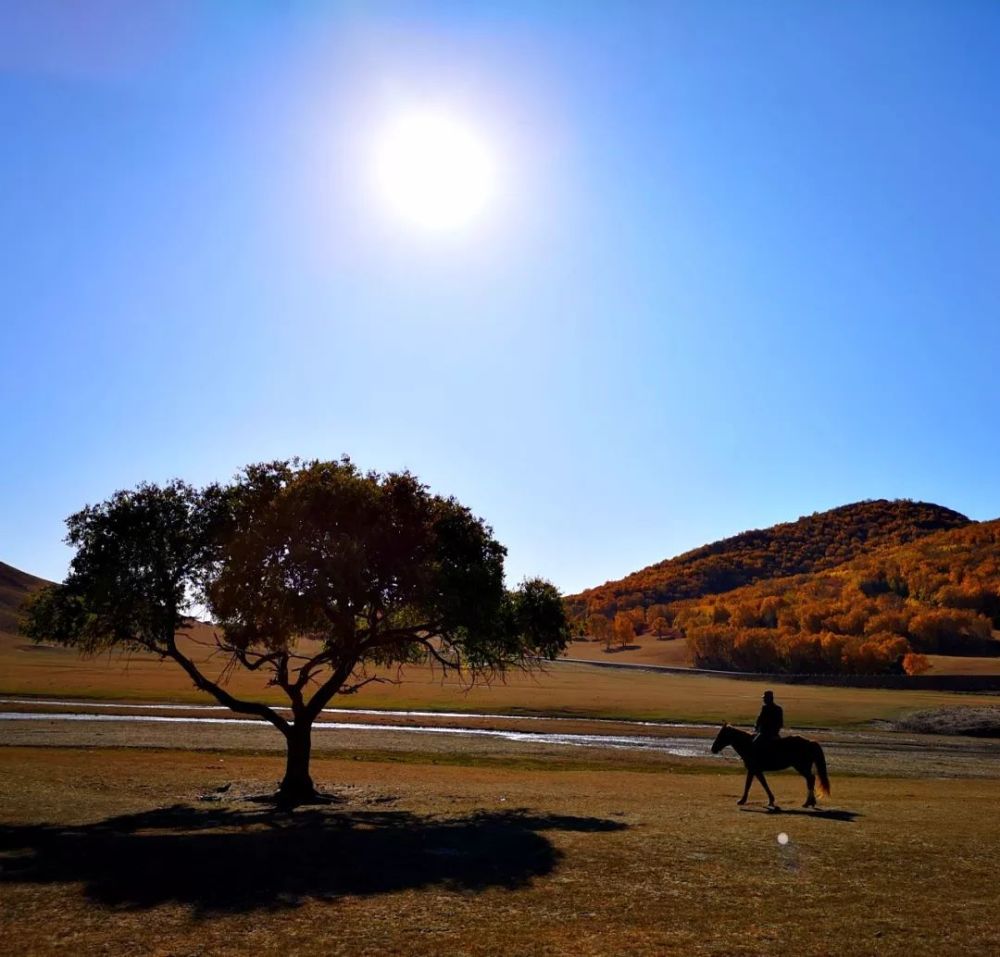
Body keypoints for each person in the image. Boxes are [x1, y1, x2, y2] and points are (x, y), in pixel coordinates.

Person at [752, 690, 783, 763]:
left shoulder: (765, 708)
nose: (764, 700)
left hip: (764, 733)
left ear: (769, 699)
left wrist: (757, 728)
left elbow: (759, 720)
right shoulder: (778, 708)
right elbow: (780, 723)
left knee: (754, 745)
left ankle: (756, 762)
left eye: (765, 698)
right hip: (775, 734)